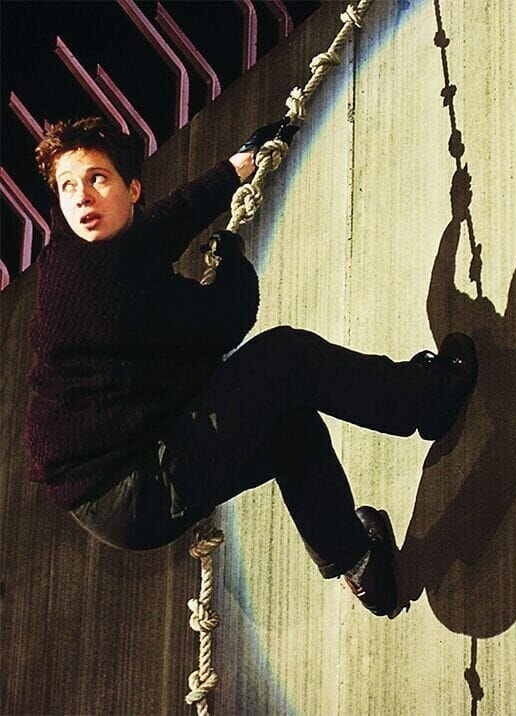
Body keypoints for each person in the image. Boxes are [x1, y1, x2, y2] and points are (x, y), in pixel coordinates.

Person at [25, 117, 477, 619]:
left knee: (290, 428)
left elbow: (155, 229)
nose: (82, 197)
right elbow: (227, 318)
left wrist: (234, 171)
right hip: (133, 488)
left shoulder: (80, 246)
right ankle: (427, 400)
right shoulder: (102, 290)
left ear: (132, 189)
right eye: (68, 187)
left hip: (118, 472)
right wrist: (232, 260)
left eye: (96, 179)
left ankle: (363, 567)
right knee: (286, 359)